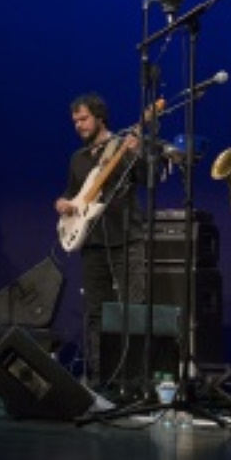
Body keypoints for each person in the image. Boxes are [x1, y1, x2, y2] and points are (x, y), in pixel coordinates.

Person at [54, 94, 146, 394]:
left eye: (83, 119)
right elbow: (73, 193)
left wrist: (136, 153)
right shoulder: (77, 159)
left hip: (126, 237)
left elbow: (148, 177)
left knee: (132, 308)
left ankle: (133, 380)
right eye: (75, 121)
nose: (78, 125)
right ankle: (98, 378)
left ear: (99, 117)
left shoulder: (121, 145)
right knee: (95, 312)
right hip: (92, 241)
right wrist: (64, 204)